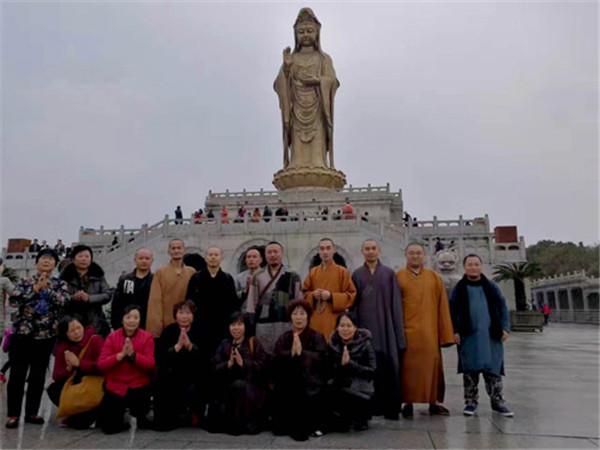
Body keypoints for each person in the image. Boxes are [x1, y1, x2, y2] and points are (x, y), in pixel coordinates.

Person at [6, 249, 70, 429]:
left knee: (38, 375)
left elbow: (64, 301)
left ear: (55, 264)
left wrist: (47, 289)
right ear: (37, 262)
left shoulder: (59, 284)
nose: (47, 262)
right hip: (22, 334)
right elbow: (14, 301)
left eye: (51, 259)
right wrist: (35, 289)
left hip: (46, 335)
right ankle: (13, 414)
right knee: (17, 375)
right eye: (43, 258)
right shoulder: (24, 281)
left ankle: (32, 412)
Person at [274, 7, 339, 169]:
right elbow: (279, 84)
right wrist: (286, 69)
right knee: (297, 139)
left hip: (318, 105)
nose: (305, 35)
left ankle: (319, 163)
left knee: (317, 137)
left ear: (317, 33)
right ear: (295, 35)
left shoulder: (323, 59)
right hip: (296, 106)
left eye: (310, 31)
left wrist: (318, 81)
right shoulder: (292, 58)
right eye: (301, 32)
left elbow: (332, 81)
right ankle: (296, 163)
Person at [450, 254, 514, 417]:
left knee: (493, 369)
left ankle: (498, 401)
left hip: (491, 334)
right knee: (470, 369)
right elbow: (452, 312)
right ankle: (470, 402)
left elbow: (502, 307)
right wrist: (455, 330)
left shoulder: (491, 287)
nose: (473, 267)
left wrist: (505, 328)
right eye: (470, 264)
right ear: (464, 267)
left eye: (476, 264)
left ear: (481, 266)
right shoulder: (459, 288)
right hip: (468, 335)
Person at [396, 242, 455, 418]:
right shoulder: (398, 277)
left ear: (425, 256)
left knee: (433, 368)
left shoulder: (434, 278)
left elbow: (442, 307)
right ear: (406, 255)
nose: (415, 256)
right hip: (407, 332)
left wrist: (446, 334)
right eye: (412, 253)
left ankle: (433, 401)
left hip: (430, 331)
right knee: (407, 369)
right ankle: (407, 402)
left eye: (419, 253)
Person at [351, 239, 405, 420]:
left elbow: (396, 304)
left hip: (386, 325)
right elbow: (353, 305)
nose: (370, 252)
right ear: (362, 251)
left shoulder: (389, 274)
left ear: (378, 251)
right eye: (367, 249)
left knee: (388, 364)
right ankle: (368, 404)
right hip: (364, 326)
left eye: (373, 248)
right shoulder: (357, 275)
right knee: (366, 364)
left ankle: (389, 404)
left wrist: (399, 334)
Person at [185, 246, 239, 416]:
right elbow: (190, 304)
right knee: (202, 366)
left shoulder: (227, 279)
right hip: (201, 329)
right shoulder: (196, 278)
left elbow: (233, 305)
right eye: (210, 255)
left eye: (216, 255)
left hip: (221, 330)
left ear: (221, 258)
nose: (213, 258)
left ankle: (219, 405)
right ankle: (199, 407)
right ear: (206, 258)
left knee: (220, 366)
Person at [271, 300, 327, 441]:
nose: (299, 317)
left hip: (310, 382)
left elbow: (322, 358)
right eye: (295, 314)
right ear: (290, 317)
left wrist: (302, 354)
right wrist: (291, 353)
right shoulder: (285, 337)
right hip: (288, 383)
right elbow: (275, 357)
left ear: (308, 317)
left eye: (302, 313)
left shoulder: (317, 336)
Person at [97, 305, 155, 434]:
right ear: (122, 319)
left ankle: (141, 414)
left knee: (144, 420)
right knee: (109, 429)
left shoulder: (147, 337)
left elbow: (150, 364)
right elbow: (101, 364)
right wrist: (120, 356)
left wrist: (133, 355)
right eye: (128, 317)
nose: (131, 321)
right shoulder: (112, 337)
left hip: (138, 385)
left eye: (136, 317)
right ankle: (120, 418)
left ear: (140, 320)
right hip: (116, 386)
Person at [208, 312, 268, 435]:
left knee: (240, 385)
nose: (236, 328)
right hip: (227, 386)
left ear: (245, 326)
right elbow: (213, 366)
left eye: (240, 324)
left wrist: (244, 363)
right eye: (233, 325)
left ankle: (244, 425)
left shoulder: (253, 342)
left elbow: (263, 366)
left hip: (250, 388)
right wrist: (228, 364)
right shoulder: (224, 343)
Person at [153, 301, 204, 431]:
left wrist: (190, 346)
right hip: (173, 373)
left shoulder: (200, 330)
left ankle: (196, 414)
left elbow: (205, 357)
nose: (184, 316)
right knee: (162, 377)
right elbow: (160, 357)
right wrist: (177, 347)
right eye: (181, 313)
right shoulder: (169, 331)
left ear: (193, 316)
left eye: (188, 313)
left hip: (194, 373)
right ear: (175, 315)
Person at [46, 315, 104, 428]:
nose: (77, 332)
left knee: (79, 424)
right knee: (53, 388)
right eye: (71, 331)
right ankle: (79, 412)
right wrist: (68, 369)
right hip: (76, 385)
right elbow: (56, 375)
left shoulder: (95, 339)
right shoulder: (63, 347)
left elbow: (103, 366)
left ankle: (90, 413)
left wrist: (79, 364)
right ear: (65, 334)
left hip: (94, 383)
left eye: (78, 328)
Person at [246, 241, 303, 353]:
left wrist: (299, 325)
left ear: (282, 253)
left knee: (285, 355)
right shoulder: (257, 276)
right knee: (264, 355)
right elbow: (251, 304)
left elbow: (299, 302)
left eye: (275, 252)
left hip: (286, 322)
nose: (272, 255)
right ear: (265, 255)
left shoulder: (293, 275)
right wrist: (251, 328)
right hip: (263, 324)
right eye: (269, 252)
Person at [326, 312, 376, 431]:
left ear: (355, 328)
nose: (345, 329)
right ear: (337, 328)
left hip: (360, 389)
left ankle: (359, 417)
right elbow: (327, 369)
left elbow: (372, 371)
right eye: (342, 326)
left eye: (349, 326)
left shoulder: (365, 344)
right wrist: (341, 365)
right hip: (339, 386)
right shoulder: (332, 344)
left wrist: (351, 365)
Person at [303, 238, 356, 341]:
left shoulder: (342, 272)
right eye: (322, 249)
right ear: (318, 252)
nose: (325, 252)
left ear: (334, 250)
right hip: (316, 319)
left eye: (328, 248)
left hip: (335, 318)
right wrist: (313, 295)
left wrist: (331, 296)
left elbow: (351, 295)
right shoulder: (313, 272)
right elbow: (304, 293)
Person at [146, 239, 196, 338]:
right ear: (169, 251)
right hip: (167, 323)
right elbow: (155, 302)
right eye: (173, 248)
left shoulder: (191, 272)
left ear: (184, 250)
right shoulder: (160, 273)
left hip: (188, 323)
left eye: (179, 248)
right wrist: (156, 327)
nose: (176, 251)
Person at [60, 245, 111, 337]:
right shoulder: (65, 277)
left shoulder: (98, 275)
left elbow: (107, 295)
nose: (84, 259)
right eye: (80, 256)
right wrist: (72, 297)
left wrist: (89, 298)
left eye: (87, 256)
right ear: (73, 259)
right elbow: (60, 298)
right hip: (73, 322)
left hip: (96, 322)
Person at [110, 248, 154, 331]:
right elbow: (116, 304)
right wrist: (117, 324)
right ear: (135, 260)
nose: (144, 261)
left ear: (152, 260)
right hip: (127, 324)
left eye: (147, 258)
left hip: (147, 325)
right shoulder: (125, 279)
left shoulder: (155, 280)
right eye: (141, 258)